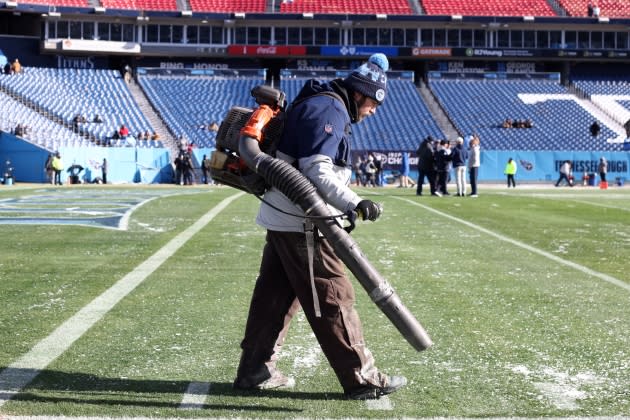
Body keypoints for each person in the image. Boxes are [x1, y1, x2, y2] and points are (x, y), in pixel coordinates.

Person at [233, 53, 407, 400]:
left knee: (274, 298)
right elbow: (317, 171)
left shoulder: (321, 102)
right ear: (360, 93)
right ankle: (362, 378)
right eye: (373, 102)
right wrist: (354, 203)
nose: (373, 110)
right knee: (333, 295)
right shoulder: (329, 110)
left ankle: (254, 369)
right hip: (304, 223)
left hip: (286, 218)